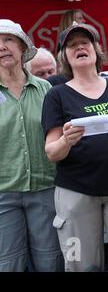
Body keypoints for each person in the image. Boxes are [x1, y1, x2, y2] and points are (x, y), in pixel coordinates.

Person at [41, 23, 108, 272]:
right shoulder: (56, 95)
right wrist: (66, 141)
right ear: (65, 56)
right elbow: (51, 152)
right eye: (72, 45)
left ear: (95, 50)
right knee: (83, 266)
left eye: (85, 42)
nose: (80, 46)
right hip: (77, 192)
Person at [0, 19, 63, 271]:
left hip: (44, 187)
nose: (2, 47)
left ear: (22, 46)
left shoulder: (45, 88)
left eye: (8, 40)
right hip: (3, 192)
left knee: (50, 262)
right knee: (9, 265)